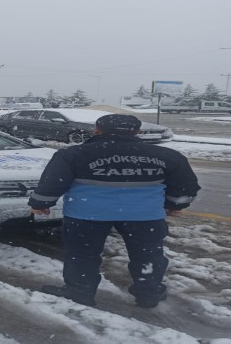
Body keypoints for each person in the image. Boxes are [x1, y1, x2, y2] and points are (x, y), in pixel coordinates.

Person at [29, 114, 200, 308]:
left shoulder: (74, 154)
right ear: (137, 131)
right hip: (144, 216)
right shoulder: (167, 156)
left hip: (87, 214)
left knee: (82, 255)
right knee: (147, 255)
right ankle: (149, 293)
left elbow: (53, 183)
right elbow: (185, 188)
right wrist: (174, 205)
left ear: (97, 130)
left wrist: (41, 203)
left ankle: (80, 292)